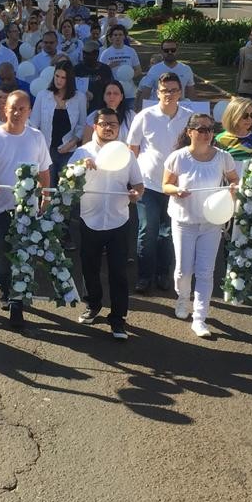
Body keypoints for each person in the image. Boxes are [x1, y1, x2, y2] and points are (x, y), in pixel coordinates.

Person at [0, 89, 51, 332]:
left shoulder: (37, 137)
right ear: (4, 110)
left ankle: (17, 302)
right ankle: (5, 289)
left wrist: (45, 195)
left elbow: (44, 172)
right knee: (1, 255)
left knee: (24, 255)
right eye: (13, 108)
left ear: (29, 111)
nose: (17, 113)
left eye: (22, 109)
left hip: (26, 211)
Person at [68, 107, 144, 339]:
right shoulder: (81, 151)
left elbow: (138, 185)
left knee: (118, 272)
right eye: (104, 123)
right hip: (89, 218)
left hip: (118, 220)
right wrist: (80, 167)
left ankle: (118, 318)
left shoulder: (126, 154)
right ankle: (93, 305)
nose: (109, 127)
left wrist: (135, 195)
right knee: (89, 268)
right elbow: (67, 182)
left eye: (113, 124)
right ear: (95, 125)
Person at [162, 114, 238, 338]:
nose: (207, 134)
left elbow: (234, 179)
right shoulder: (178, 157)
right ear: (190, 132)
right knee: (184, 270)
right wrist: (175, 190)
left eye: (210, 129)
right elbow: (165, 185)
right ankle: (183, 298)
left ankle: (200, 317)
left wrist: (233, 189)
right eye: (201, 129)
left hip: (211, 224)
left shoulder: (223, 157)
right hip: (184, 221)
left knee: (206, 272)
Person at [127, 72, 191, 292]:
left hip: (176, 186)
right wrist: (132, 182)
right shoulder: (144, 116)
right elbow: (132, 151)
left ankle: (163, 274)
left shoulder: (190, 118)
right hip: (149, 184)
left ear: (180, 92)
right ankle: (144, 276)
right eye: (164, 91)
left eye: (173, 90)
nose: (169, 95)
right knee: (147, 230)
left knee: (169, 232)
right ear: (157, 92)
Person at [29, 58, 86, 187]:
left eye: (63, 78)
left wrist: (71, 143)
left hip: (68, 151)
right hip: (46, 150)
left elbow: (82, 125)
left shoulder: (79, 97)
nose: (59, 80)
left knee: (66, 191)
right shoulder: (43, 95)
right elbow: (33, 124)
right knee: (47, 189)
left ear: (69, 79)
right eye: (57, 76)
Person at [214, 97, 252, 164]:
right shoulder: (220, 139)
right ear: (233, 116)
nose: (249, 119)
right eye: (245, 116)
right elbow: (216, 166)